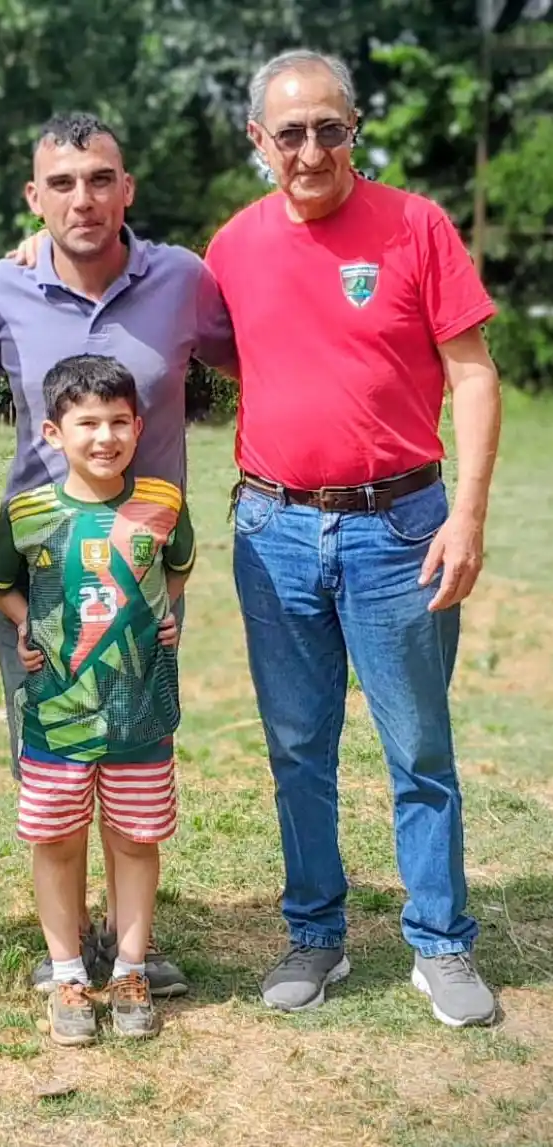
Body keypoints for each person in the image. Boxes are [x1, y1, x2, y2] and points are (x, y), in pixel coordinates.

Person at [203, 49, 502, 1026]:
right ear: (259, 141)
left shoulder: (415, 225)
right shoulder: (231, 248)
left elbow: (471, 374)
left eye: (330, 126)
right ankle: (314, 933)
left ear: (355, 128)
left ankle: (442, 944)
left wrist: (465, 514)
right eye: (289, 132)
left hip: (401, 528)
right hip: (273, 529)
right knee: (298, 748)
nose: (311, 148)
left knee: (417, 747)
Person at [0, 111, 236, 997]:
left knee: (134, 754)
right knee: (49, 759)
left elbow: (254, 365)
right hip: (42, 579)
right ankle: (66, 943)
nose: (85, 198)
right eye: (63, 183)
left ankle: (132, 944)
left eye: (101, 179)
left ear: (127, 189)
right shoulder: (2, 288)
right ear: (33, 197)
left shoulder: (183, 279)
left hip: (143, 576)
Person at [0, 354, 194, 1044]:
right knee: (57, 837)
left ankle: (130, 967)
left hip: (139, 712)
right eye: (87, 423)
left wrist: (162, 612)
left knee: (134, 838)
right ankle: (68, 970)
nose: (104, 436)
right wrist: (20, 621)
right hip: (56, 714)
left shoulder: (163, 504)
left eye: (118, 421)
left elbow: (178, 566)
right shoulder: (29, 511)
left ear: (138, 425)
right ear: (51, 431)